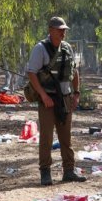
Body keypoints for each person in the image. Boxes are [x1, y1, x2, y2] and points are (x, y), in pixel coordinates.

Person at [26, 16, 86, 185]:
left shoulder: (67, 48)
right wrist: (43, 96)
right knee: (46, 137)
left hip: (65, 98)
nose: (63, 33)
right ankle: (45, 172)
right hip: (48, 100)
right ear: (51, 30)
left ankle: (69, 171)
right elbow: (32, 73)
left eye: (64, 30)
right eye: (60, 30)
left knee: (65, 137)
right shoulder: (40, 49)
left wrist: (76, 93)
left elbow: (74, 72)